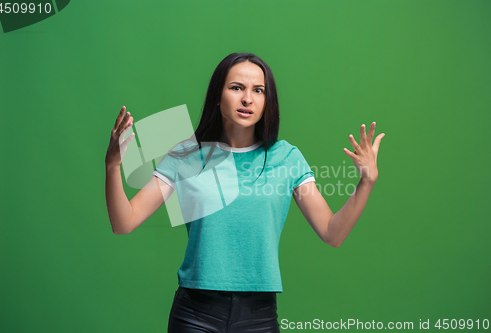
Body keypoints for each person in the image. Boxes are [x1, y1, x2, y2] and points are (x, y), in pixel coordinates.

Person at [105, 53, 385, 333]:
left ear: (267, 101)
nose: (247, 99)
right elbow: (123, 222)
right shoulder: (186, 156)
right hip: (194, 313)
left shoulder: (286, 157)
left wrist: (366, 183)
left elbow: (331, 233)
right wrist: (113, 165)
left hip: (258, 315)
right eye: (237, 87)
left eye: (258, 90)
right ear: (217, 95)